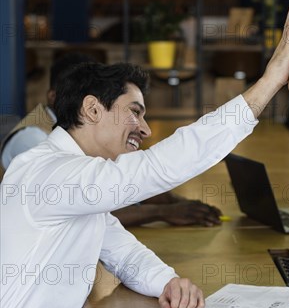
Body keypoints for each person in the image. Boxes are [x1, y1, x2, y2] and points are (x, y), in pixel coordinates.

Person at [0, 0, 289, 308]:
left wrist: (168, 282)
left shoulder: (77, 178)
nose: (145, 130)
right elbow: (157, 167)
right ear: (92, 109)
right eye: (135, 112)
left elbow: (122, 252)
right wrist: (267, 85)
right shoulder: (49, 173)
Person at [1, 53, 222, 227]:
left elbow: (122, 179)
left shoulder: (81, 136)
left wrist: (173, 201)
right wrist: (163, 212)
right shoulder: (32, 139)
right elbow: (94, 202)